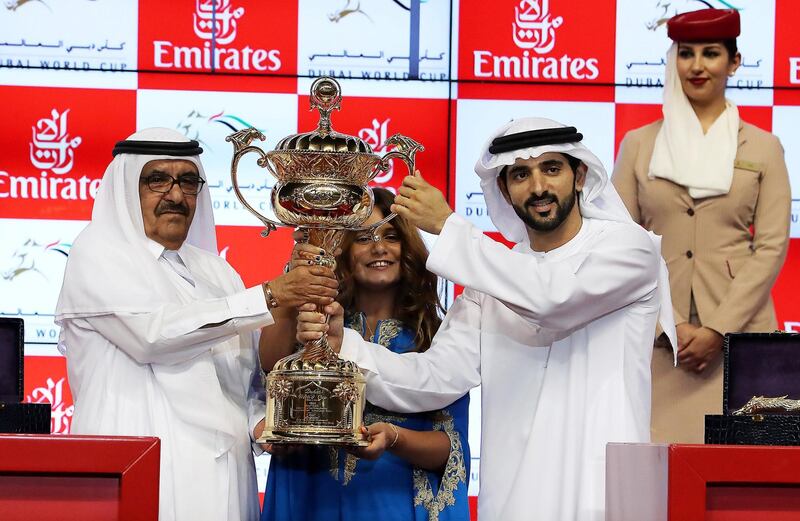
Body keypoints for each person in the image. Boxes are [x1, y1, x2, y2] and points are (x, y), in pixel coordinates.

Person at [297, 119, 676, 521]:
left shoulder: (628, 248)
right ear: (503, 189)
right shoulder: (492, 276)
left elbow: (553, 298)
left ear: (580, 175)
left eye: (551, 169)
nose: (538, 187)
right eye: (520, 174)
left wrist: (447, 226)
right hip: (517, 495)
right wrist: (345, 348)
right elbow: (436, 378)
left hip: (602, 488)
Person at [54, 128, 338, 521]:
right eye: (157, 179)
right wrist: (271, 296)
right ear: (124, 187)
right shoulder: (97, 250)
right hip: (139, 473)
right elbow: (153, 336)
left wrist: (261, 424)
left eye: (188, 181)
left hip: (224, 479)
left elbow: (243, 379)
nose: (175, 195)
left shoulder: (218, 272)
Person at [612, 9, 791, 443]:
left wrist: (717, 329)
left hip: (740, 338)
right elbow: (619, 244)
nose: (697, 66)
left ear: (734, 62)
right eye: (686, 53)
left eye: (711, 53)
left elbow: (770, 247)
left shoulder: (764, 148)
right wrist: (667, 326)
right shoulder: (639, 144)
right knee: (654, 479)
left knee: (738, 482)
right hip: (656, 340)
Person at [260, 188, 471, 521]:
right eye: (362, 238)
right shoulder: (315, 321)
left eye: (391, 235)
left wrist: (394, 437)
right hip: (311, 494)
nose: (378, 247)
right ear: (341, 250)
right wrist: (295, 281)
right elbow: (269, 365)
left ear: (409, 248)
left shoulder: (435, 338)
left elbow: (451, 449)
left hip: (394, 500)